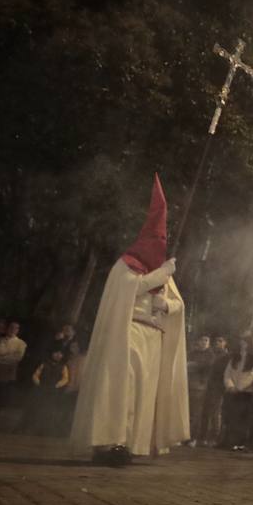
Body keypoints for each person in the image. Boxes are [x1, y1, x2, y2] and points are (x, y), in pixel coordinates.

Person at [69, 175, 189, 466]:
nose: (160, 244)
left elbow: (178, 304)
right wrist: (159, 277)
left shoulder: (162, 271)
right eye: (156, 239)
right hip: (128, 335)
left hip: (153, 338)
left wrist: (167, 304)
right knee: (124, 386)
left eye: (163, 240)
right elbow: (130, 288)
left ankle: (132, 443)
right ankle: (110, 441)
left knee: (144, 392)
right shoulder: (126, 265)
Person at [0, 320, 27, 431]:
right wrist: (7, 353)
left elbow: (17, 358)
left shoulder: (21, 344)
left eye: (16, 328)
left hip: (8, 371)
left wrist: (1, 355)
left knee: (1, 394)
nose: (13, 330)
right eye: (11, 327)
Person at [221, 334, 253, 450]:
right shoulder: (234, 358)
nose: (242, 344)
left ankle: (241, 443)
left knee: (243, 419)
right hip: (232, 392)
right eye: (241, 341)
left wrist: (239, 388)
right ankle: (230, 442)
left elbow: (252, 376)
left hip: (246, 393)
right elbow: (227, 373)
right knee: (231, 417)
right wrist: (231, 386)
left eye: (245, 342)